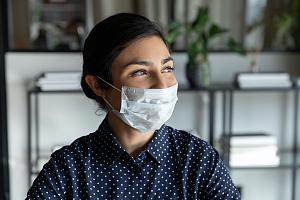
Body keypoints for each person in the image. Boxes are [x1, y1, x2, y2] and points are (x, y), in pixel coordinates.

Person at [26, 13, 241, 199]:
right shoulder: (68, 169)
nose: (162, 84)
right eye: (140, 72)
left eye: (167, 68)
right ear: (98, 84)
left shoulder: (198, 160)